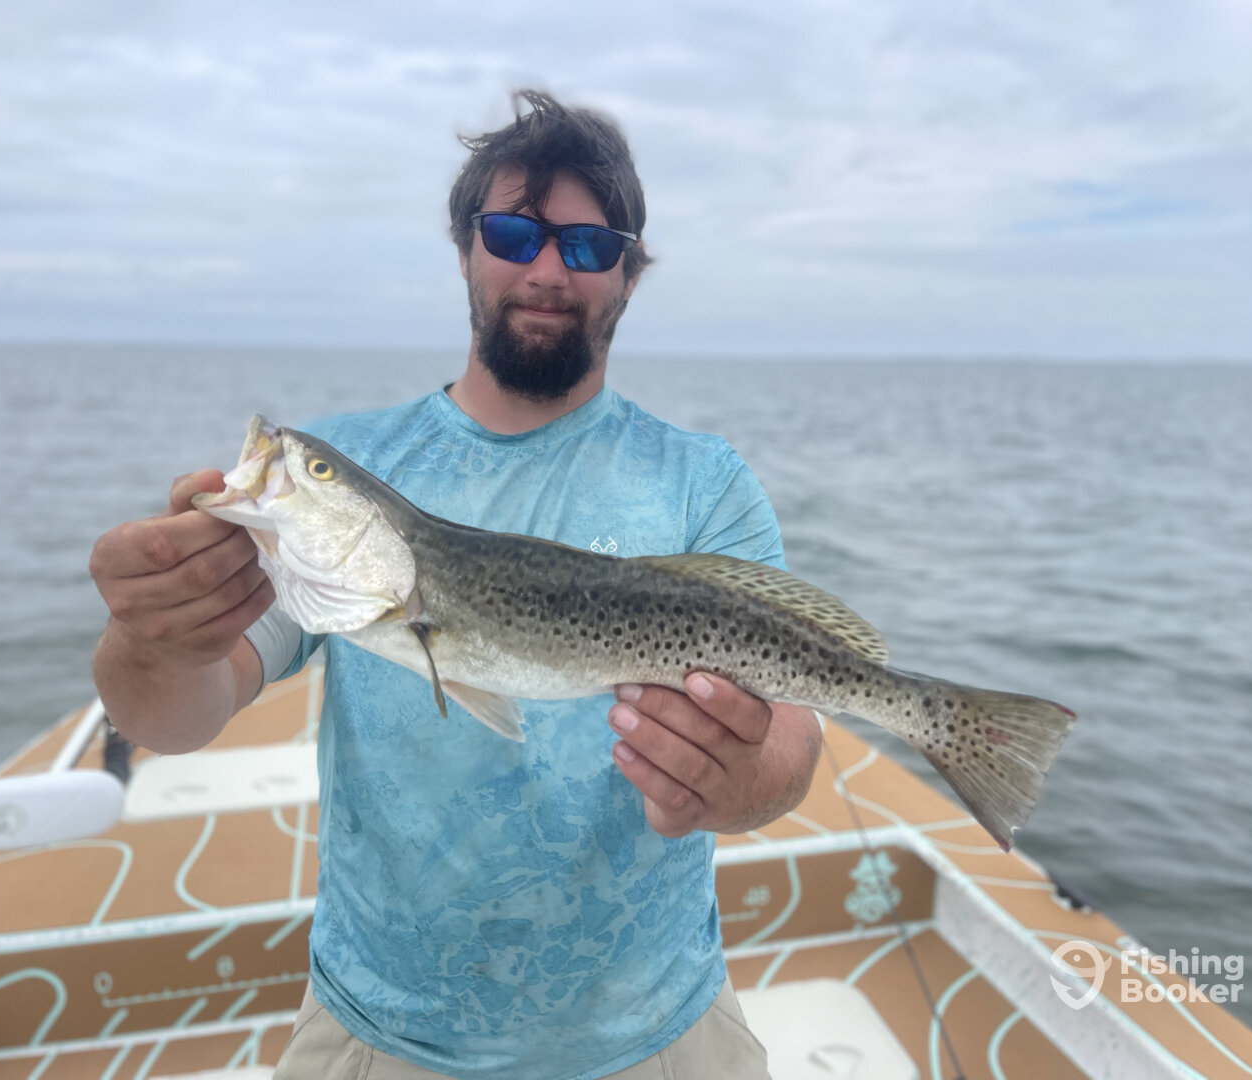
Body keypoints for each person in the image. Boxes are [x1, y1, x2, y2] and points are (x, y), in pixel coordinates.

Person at [89, 89, 822, 1080]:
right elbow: (181, 714)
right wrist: (154, 641)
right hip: (378, 1030)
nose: (547, 269)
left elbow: (792, 740)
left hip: (659, 1030)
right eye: (514, 233)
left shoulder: (704, 481)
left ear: (629, 274)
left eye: (589, 245)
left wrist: (743, 777)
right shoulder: (353, 465)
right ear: (466, 249)